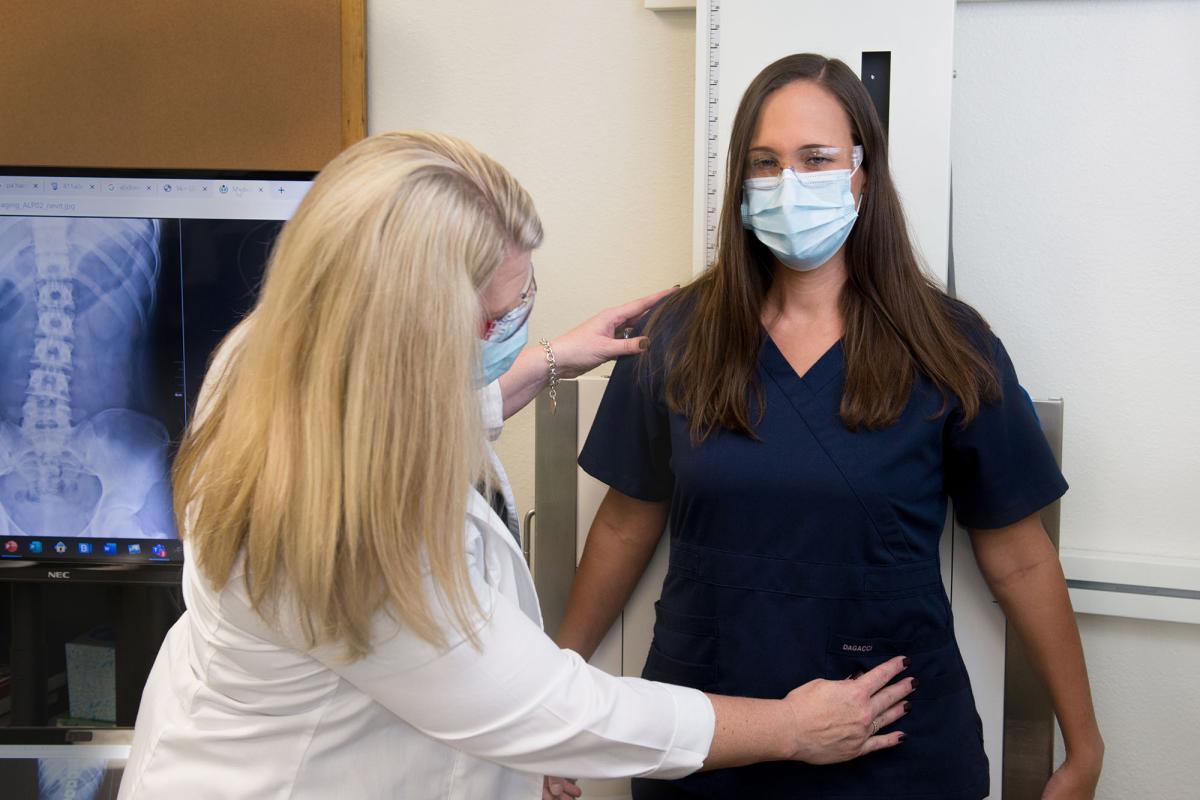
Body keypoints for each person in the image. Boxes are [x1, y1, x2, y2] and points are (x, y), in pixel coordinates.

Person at [117, 130, 917, 799]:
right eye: (493, 316)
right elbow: (555, 708)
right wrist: (790, 727)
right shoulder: (340, 537)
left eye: (522, 298)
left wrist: (535, 365)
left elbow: (378, 421)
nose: (508, 324)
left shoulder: (280, 354)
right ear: (404, 327)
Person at [556, 54, 1104, 799]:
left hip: (894, 743)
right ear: (741, 184)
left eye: (815, 159)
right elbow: (624, 527)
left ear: (863, 173)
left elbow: (1021, 559)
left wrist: (1084, 745)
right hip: (706, 734)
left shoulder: (947, 345)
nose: (790, 183)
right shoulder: (676, 335)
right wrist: (559, 706)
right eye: (764, 162)